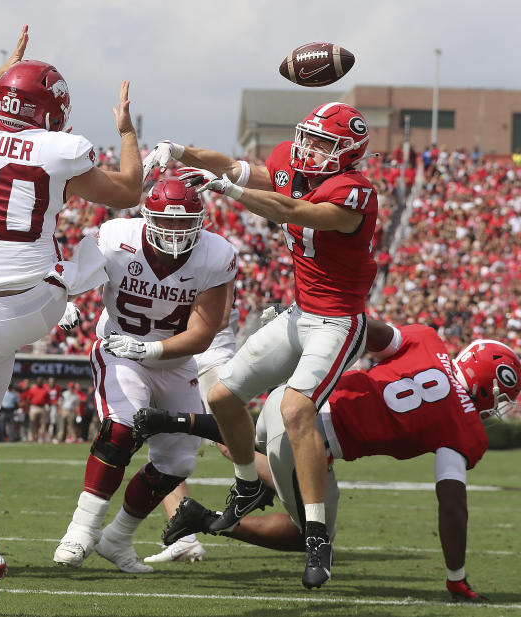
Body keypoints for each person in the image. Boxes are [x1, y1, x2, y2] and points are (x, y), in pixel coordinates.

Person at [0, 25, 143, 608]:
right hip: (41, 300)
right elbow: (129, 190)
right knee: (111, 237)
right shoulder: (58, 150)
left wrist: (2, 71)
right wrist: (128, 132)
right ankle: (104, 316)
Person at [143, 101, 378, 588]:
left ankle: (316, 537)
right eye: (308, 138)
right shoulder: (292, 164)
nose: (308, 149)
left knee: (294, 411)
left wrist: (232, 191)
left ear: (347, 154)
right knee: (223, 395)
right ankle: (248, 486)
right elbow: (233, 165)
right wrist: (179, 150)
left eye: (322, 144)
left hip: (337, 323)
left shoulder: (355, 192)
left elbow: (293, 209)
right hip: (299, 314)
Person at [138, 318, 520, 602]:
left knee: (241, 444)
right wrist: (456, 577)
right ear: (488, 385)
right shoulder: (464, 426)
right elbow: (451, 505)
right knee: (310, 535)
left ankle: (178, 421)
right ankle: (202, 519)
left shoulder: (426, 339)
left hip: (291, 400)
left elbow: (364, 328)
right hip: (307, 443)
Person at [53, 178, 237, 574]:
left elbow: (203, 333)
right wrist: (60, 302)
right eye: (166, 224)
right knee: (121, 429)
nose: (174, 233)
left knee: (178, 463)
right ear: (146, 217)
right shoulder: (115, 237)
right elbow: (70, 278)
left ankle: (118, 539)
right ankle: (81, 529)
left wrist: (151, 349)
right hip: (121, 348)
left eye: (184, 224)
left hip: (173, 359)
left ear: (200, 221)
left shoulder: (215, 254)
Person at [143, 303, 242, 564]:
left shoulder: (215, 262)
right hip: (172, 362)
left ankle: (300, 494)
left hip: (208, 358)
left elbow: (218, 316)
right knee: (163, 449)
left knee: (234, 444)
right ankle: (185, 540)